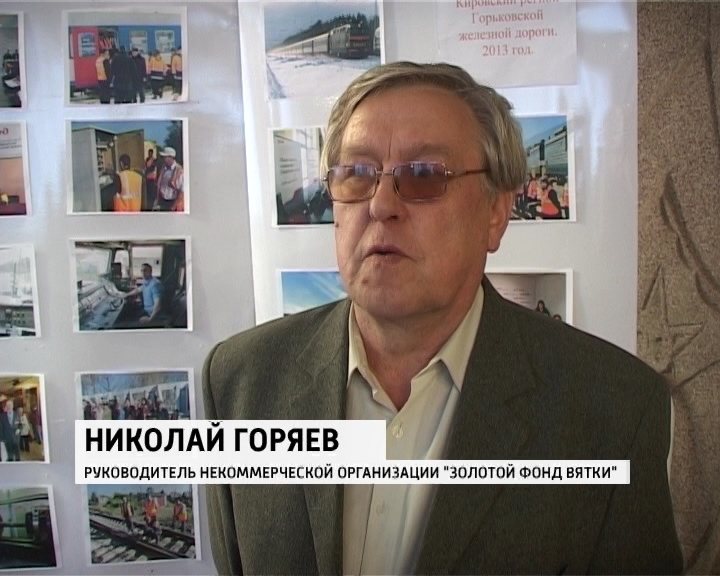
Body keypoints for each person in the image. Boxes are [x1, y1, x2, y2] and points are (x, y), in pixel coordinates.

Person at [202, 62, 682, 574]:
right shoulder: (240, 381)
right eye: (358, 174)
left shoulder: (615, 410)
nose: (381, 205)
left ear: (496, 213)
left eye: (424, 175)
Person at [154, 147, 184, 211]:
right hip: (162, 201)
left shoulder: (178, 170)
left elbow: (182, 191)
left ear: (171, 157)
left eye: (165, 157)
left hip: (172, 202)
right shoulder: (163, 168)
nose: (163, 159)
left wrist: (173, 206)